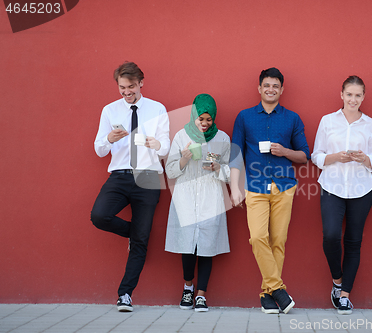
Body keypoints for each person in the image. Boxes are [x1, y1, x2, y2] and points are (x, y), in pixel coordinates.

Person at [90, 62, 170, 312]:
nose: (127, 92)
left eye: (131, 87)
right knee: (99, 216)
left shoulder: (157, 109)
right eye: (122, 88)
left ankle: (125, 294)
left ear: (141, 83)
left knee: (141, 241)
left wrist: (156, 144)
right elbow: (99, 149)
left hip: (148, 176)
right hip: (121, 174)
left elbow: (167, 147)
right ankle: (133, 233)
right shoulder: (110, 110)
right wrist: (108, 139)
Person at [230, 67, 310, 314]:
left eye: (275, 86)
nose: (271, 89)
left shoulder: (292, 118)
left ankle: (267, 294)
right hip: (254, 186)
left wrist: (284, 151)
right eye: (267, 85)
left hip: (284, 186)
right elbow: (235, 154)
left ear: (281, 90)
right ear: (259, 88)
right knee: (257, 237)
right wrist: (234, 187)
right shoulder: (244, 117)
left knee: (278, 241)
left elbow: (304, 156)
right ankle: (278, 289)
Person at [311, 76, 372, 315]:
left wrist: (365, 159)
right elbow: (316, 155)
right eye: (349, 94)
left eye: (358, 95)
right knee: (330, 236)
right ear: (341, 94)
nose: (353, 99)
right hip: (332, 186)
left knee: (353, 241)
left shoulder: (370, 124)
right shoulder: (327, 121)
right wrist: (334, 157)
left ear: (363, 97)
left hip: (361, 190)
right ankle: (337, 280)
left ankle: (344, 295)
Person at [165, 93, 231, 312]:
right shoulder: (180, 136)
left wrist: (218, 168)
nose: (204, 124)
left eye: (208, 119)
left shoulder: (222, 138)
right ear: (193, 115)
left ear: (213, 118)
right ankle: (188, 288)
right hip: (185, 197)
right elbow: (170, 170)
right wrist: (184, 158)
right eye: (200, 119)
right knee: (188, 246)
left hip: (211, 197)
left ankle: (201, 295)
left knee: (206, 246)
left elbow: (230, 173)